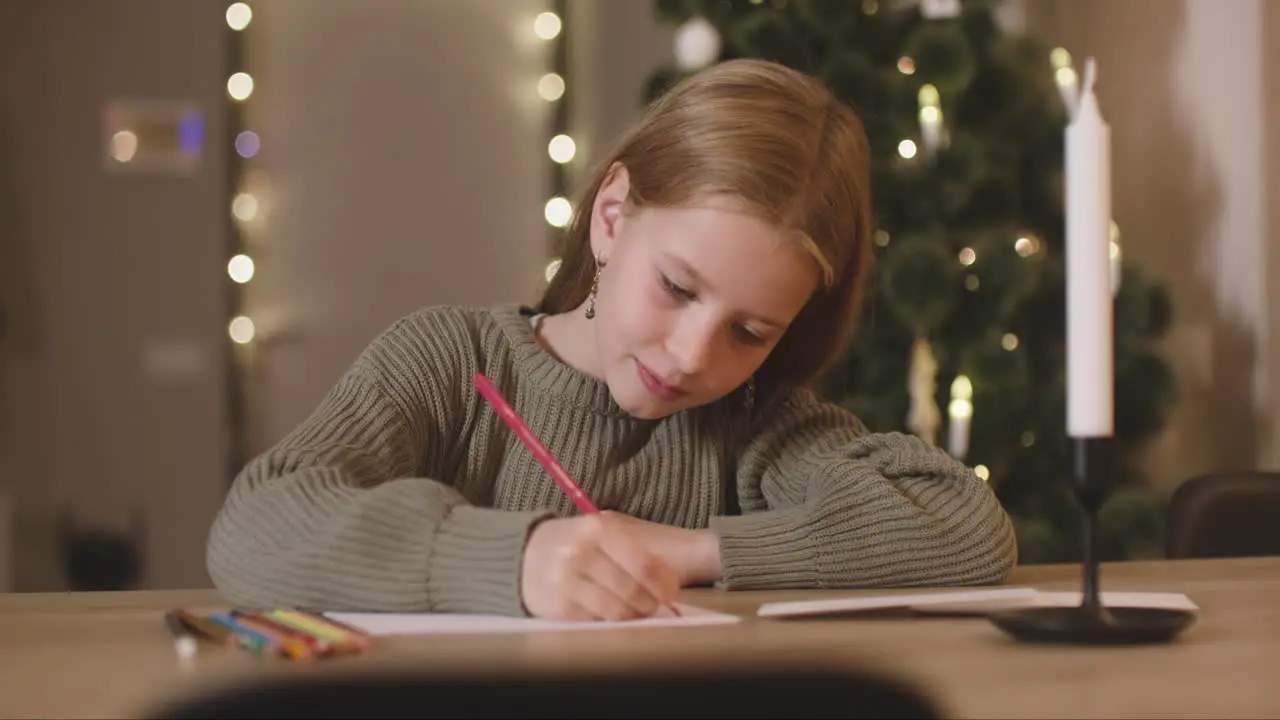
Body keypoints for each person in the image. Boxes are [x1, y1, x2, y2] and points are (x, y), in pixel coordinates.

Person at [207, 59, 1017, 621]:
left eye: (750, 331)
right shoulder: (451, 364)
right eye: (676, 288)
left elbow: (967, 528)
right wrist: (513, 561)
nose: (695, 356)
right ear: (611, 217)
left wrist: (687, 549)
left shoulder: (751, 419)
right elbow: (256, 527)